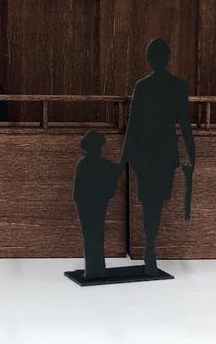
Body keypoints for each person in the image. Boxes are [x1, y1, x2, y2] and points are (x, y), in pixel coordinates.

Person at [120, 38, 195, 276]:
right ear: (167, 58)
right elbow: (185, 125)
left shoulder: (142, 86)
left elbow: (133, 126)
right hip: (164, 153)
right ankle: (150, 249)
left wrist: (124, 157)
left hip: (146, 153)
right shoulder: (176, 85)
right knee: (156, 202)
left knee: (150, 202)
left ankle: (150, 248)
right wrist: (191, 154)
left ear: (150, 59)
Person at [73, 130, 124, 279]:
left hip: (91, 207)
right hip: (91, 207)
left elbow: (116, 170)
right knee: (94, 238)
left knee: (93, 238)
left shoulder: (88, 164)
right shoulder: (91, 164)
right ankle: (94, 271)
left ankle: (95, 270)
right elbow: (78, 192)